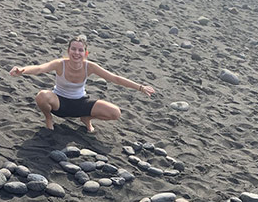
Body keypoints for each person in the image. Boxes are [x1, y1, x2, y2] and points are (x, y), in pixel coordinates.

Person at [9, 35, 155, 133]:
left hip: (80, 103)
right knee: (42, 96)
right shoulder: (60, 64)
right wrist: (23, 70)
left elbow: (114, 78)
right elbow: (40, 68)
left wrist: (140, 87)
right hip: (59, 102)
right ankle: (48, 118)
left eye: (80, 50)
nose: (76, 53)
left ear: (86, 53)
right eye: (73, 49)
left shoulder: (89, 66)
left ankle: (86, 118)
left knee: (115, 112)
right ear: (68, 51)